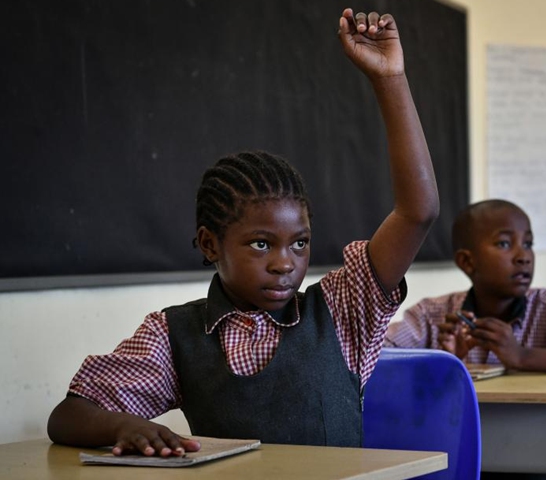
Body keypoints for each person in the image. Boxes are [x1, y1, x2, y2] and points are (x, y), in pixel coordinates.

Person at [46, 8, 439, 457]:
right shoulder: (173, 334)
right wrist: (123, 427)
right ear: (210, 243)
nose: (285, 263)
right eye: (260, 244)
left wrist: (390, 79)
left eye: (300, 243)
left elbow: (418, 212)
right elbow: (68, 415)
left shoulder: (344, 308)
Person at [385, 199, 546, 374]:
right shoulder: (432, 315)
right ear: (467, 262)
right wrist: (446, 361)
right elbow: (377, 356)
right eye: (504, 244)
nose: (523, 256)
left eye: (528, 243)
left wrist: (522, 356)